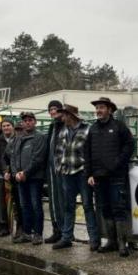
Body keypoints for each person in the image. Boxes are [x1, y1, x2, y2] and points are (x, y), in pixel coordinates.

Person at [85, 97, 135, 257]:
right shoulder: (92, 129)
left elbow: (129, 145)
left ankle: (122, 243)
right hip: (99, 177)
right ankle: (111, 241)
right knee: (105, 209)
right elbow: (86, 153)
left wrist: (118, 163)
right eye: (97, 107)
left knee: (119, 208)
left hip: (116, 176)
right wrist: (89, 173)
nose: (98, 110)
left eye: (101, 107)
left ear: (110, 110)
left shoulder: (119, 127)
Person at [52, 105, 100, 251]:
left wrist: (90, 171)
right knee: (68, 206)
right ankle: (67, 237)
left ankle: (94, 239)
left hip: (82, 173)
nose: (62, 117)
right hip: (67, 173)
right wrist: (59, 168)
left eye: (64, 115)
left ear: (71, 116)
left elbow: (93, 151)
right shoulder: (63, 131)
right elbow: (58, 151)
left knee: (87, 206)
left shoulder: (87, 129)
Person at [9, 112, 47, 245]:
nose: (27, 122)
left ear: (35, 122)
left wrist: (25, 172)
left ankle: (38, 234)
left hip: (34, 178)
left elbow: (38, 159)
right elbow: (13, 157)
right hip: (20, 179)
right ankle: (26, 233)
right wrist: (15, 173)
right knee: (24, 206)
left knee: (36, 205)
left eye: (30, 120)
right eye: (25, 121)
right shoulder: (18, 138)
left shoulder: (40, 137)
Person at [44, 100, 66, 244]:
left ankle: (65, 232)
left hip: (62, 169)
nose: (53, 112)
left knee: (63, 201)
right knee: (53, 201)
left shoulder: (65, 126)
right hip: (51, 170)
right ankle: (56, 230)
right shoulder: (52, 127)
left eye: (55, 109)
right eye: (50, 109)